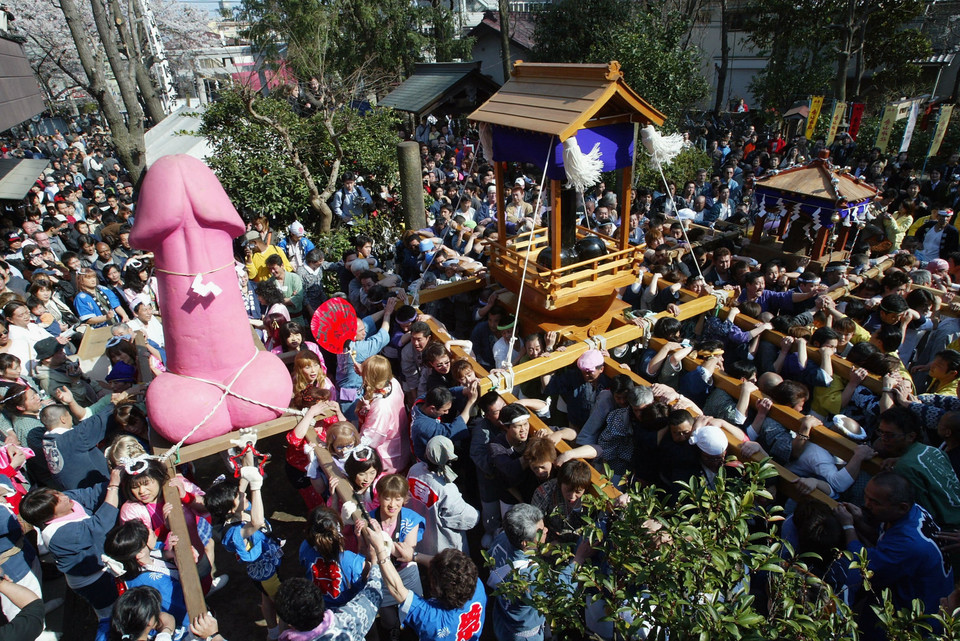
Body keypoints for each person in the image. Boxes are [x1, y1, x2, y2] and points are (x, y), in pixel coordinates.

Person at [834, 472, 954, 635]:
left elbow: (860, 564)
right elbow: (886, 539)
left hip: (916, 621)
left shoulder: (909, 543)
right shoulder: (915, 511)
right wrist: (861, 519)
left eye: (874, 502)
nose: (866, 504)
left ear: (902, 507)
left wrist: (848, 525)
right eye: (866, 497)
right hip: (922, 591)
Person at [487, 503, 590, 641]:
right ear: (525, 543)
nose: (546, 530)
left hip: (502, 616)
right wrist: (578, 559)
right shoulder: (529, 576)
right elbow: (561, 590)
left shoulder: (503, 538)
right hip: (523, 633)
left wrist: (538, 550)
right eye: (540, 530)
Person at [369, 523, 487, 641]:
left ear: (437, 589)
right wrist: (414, 556)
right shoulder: (476, 585)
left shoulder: (433, 620)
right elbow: (450, 567)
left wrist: (380, 550)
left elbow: (397, 589)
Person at [355, 355, 412, 475]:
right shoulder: (393, 382)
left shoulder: (381, 406)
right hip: (400, 444)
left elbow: (370, 439)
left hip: (387, 458)